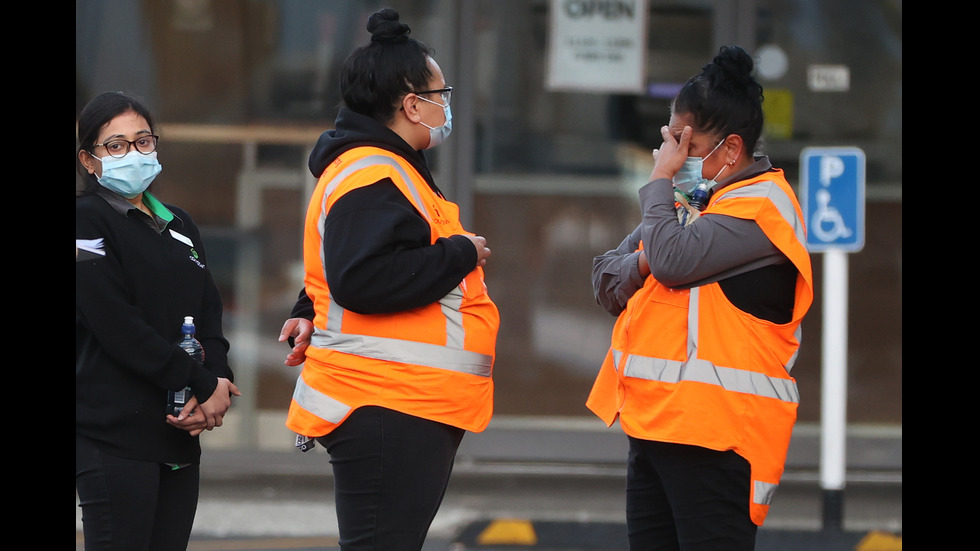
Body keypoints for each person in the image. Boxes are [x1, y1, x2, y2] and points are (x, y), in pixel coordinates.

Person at [277, 9, 499, 551]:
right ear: (410, 103)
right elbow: (363, 277)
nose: (445, 104)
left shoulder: (387, 166)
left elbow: (348, 263)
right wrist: (459, 252)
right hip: (387, 403)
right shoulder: (375, 171)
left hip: (401, 401)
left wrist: (308, 308)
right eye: (438, 92)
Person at [587, 46, 814, 550]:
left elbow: (668, 262)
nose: (668, 154)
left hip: (719, 440)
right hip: (656, 429)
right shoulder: (694, 205)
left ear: (731, 149)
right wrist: (647, 256)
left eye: (682, 143)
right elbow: (605, 279)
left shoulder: (761, 210)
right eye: (668, 140)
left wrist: (659, 189)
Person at [76, 91, 241, 550]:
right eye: (116, 145)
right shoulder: (85, 223)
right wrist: (201, 384)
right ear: (89, 161)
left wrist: (218, 380)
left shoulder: (179, 224)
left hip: (178, 434)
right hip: (113, 437)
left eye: (143, 140)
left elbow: (209, 313)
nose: (133, 152)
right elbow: (117, 328)